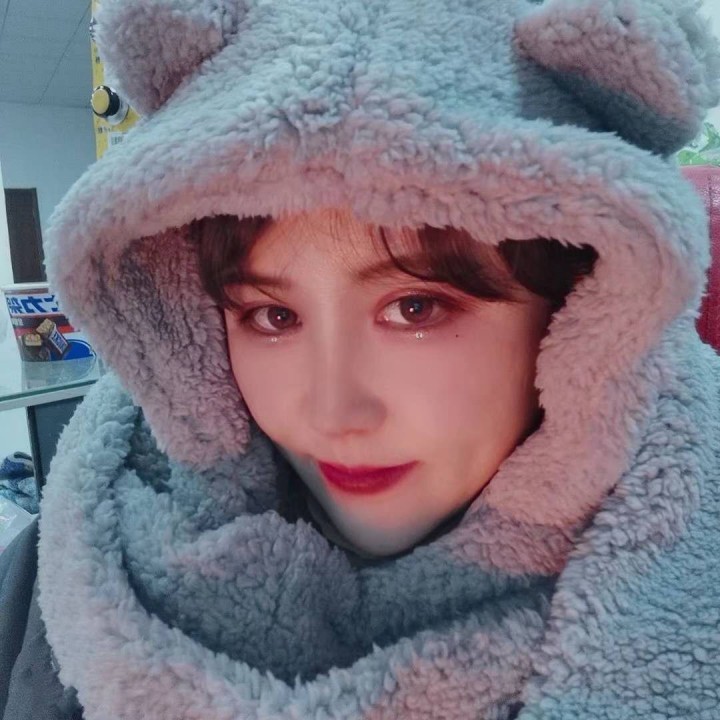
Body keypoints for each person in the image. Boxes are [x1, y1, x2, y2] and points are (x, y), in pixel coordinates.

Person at [1, 0, 719, 718]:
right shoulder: (66, 559)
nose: (331, 413)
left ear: (580, 312)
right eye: (272, 316)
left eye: (416, 308)